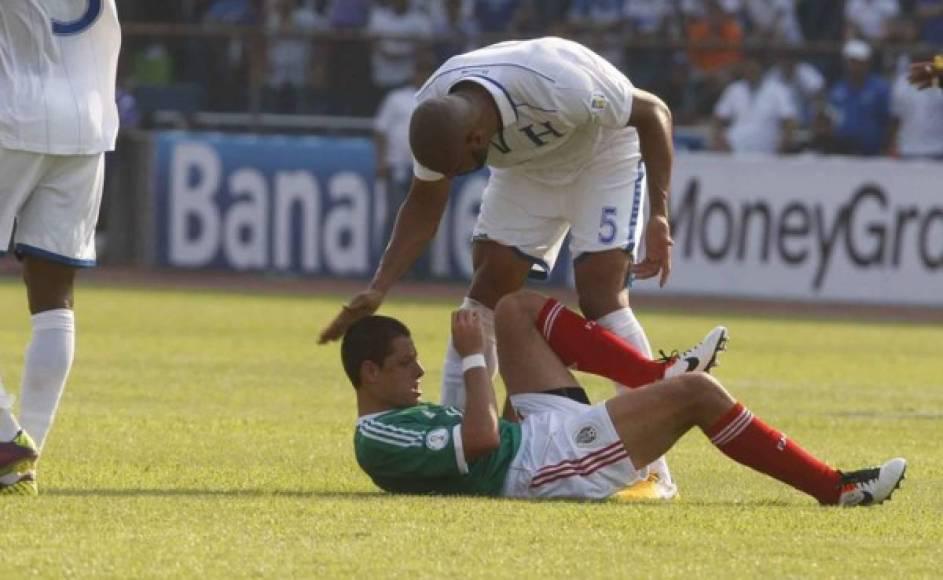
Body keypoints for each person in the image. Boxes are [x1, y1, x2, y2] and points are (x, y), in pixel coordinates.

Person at [319, 36, 680, 497]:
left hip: (603, 153)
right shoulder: (435, 110)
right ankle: (458, 452)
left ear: (476, 138)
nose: (459, 176)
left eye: (463, 167)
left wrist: (660, 214)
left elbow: (654, 113)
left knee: (600, 297)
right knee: (486, 292)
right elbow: (424, 204)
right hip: (528, 168)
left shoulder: (560, 84)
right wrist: (379, 286)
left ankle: (655, 473)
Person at [345, 290, 906, 505]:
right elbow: (484, 438)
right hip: (546, 464)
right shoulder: (378, 438)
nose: (419, 369)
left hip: (535, 436)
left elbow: (485, 435)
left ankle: (651, 370)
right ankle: (833, 488)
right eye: (404, 363)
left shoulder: (400, 417)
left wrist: (516, 379)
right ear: (369, 373)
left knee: (515, 309)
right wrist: (474, 357)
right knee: (699, 393)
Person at [0, 0, 122, 495]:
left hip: (12, 111)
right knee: (54, 296)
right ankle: (22, 462)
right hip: (87, 120)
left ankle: (5, 434)